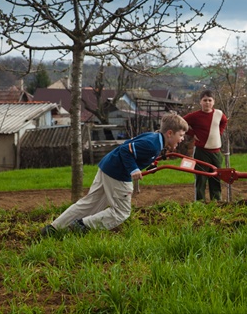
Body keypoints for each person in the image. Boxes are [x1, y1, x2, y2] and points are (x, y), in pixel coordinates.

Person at [41, 112, 189, 236]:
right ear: (170, 133)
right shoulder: (152, 144)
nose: (182, 139)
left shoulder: (154, 139)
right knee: (121, 212)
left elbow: (132, 150)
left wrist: (148, 163)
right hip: (118, 174)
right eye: (181, 135)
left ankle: (53, 229)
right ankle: (82, 226)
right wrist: (134, 169)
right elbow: (125, 150)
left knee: (90, 203)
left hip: (108, 166)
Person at [183, 89, 228, 202]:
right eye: (205, 100)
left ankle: (216, 201)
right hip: (201, 152)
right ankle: (200, 202)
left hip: (216, 152)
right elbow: (181, 123)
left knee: (216, 178)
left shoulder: (219, 114)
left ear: (213, 102)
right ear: (200, 102)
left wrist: (220, 132)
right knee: (201, 178)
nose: (207, 103)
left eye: (209, 100)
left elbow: (224, 121)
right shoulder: (195, 116)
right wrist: (192, 133)